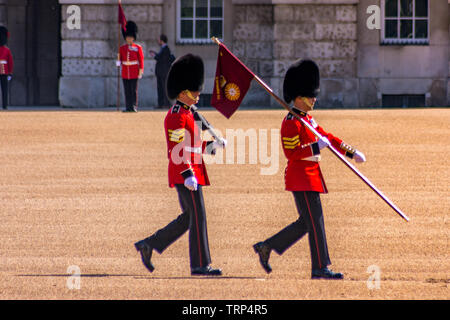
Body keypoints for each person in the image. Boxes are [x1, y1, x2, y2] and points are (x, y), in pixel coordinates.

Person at [253, 59, 366, 280]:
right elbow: (292, 153)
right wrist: (316, 146)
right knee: (315, 222)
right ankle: (320, 267)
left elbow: (329, 138)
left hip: (312, 176)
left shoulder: (307, 119)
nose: (314, 98)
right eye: (310, 95)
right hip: (300, 178)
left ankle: (267, 246)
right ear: (298, 97)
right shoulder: (291, 122)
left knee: (306, 223)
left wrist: (351, 151)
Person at [134, 53, 226, 276]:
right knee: (198, 217)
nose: (198, 94)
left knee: (189, 218)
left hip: (193, 171)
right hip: (185, 173)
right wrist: (187, 174)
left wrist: (213, 146)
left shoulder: (189, 114)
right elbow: (176, 151)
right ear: (183, 91)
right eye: (195, 91)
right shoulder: (176, 116)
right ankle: (200, 264)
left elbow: (194, 147)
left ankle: (149, 244)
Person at [116, 21, 144, 112]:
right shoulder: (122, 48)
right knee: (127, 91)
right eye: (127, 37)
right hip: (125, 72)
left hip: (134, 71)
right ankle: (128, 107)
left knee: (133, 91)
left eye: (130, 37)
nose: (129, 39)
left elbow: (141, 60)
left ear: (133, 38)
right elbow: (121, 59)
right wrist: (118, 62)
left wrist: (140, 71)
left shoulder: (138, 47)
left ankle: (134, 106)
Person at [149, 34, 174, 109]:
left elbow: (163, 60)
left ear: (162, 40)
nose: (158, 41)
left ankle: (166, 104)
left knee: (164, 88)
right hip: (160, 73)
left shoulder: (166, 49)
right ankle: (161, 104)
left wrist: (155, 56)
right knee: (160, 89)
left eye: (159, 39)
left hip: (164, 72)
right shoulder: (163, 48)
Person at [0, 26, 13, 110]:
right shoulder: (6, 50)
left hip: (4, 70)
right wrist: (10, 72)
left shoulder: (7, 50)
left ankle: (4, 105)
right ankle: (4, 105)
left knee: (4, 89)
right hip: (4, 71)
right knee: (4, 89)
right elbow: (10, 62)